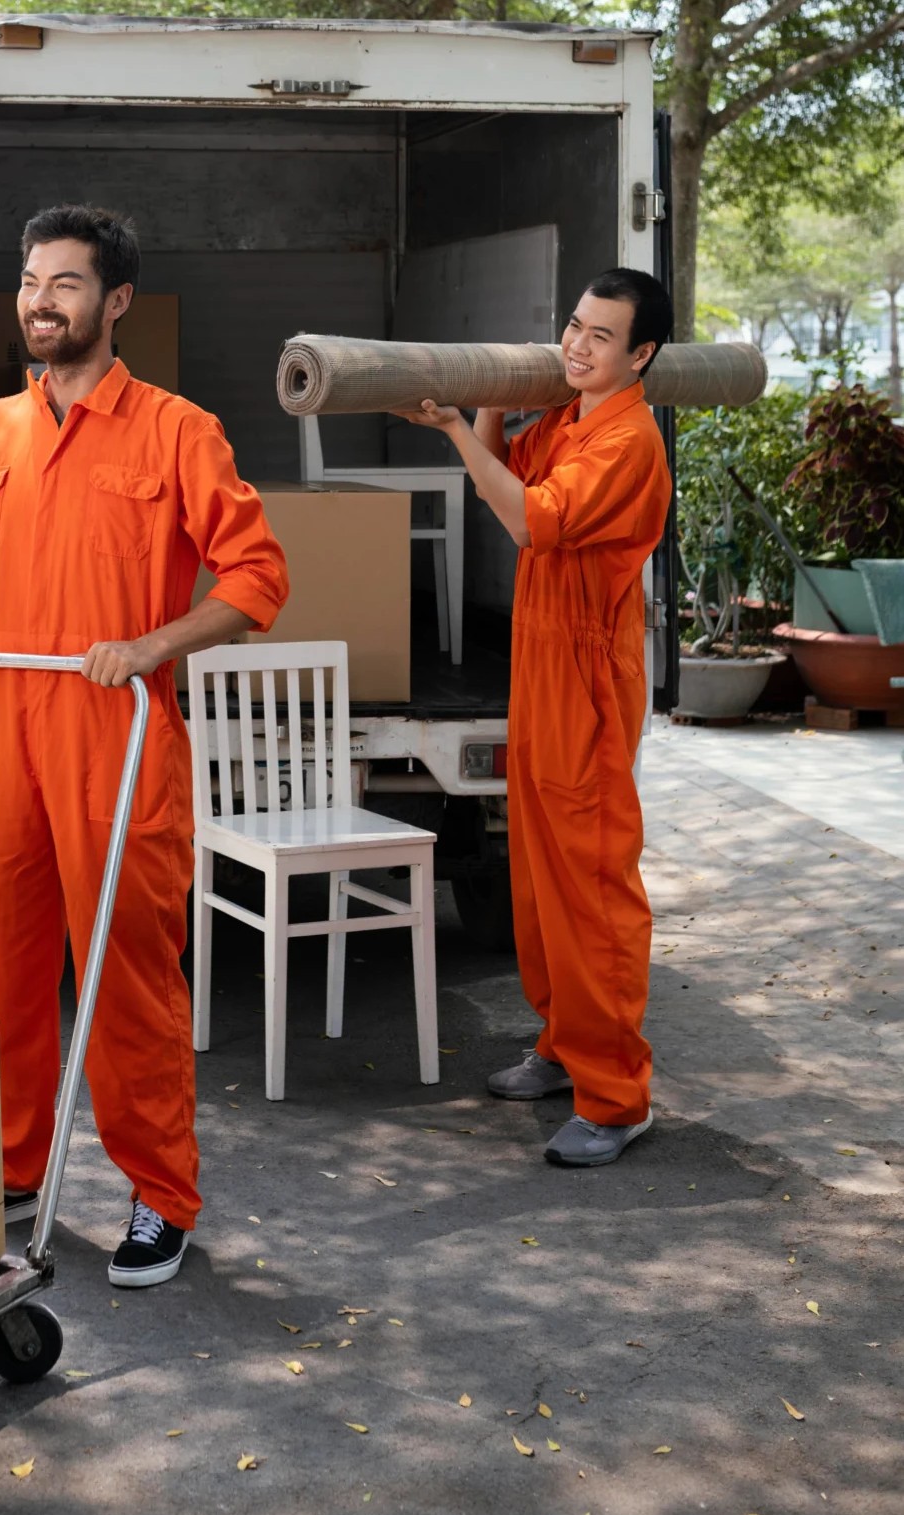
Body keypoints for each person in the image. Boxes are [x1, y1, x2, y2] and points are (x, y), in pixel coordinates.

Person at [0, 204, 289, 1285]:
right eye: (30, 281)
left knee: (126, 974)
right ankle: (15, 1166)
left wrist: (155, 641)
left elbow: (257, 579)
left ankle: (160, 1196)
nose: (40, 301)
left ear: (115, 303)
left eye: (65, 284)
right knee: (4, 967)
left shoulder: (175, 431)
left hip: (111, 732)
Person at [394, 268, 674, 1167]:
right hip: (540, 665)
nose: (575, 345)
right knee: (538, 876)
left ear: (641, 354)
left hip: (587, 679)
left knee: (591, 888)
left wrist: (450, 428)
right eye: (572, 326)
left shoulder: (627, 439)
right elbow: (504, 474)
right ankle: (562, 1047)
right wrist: (483, 405)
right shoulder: (568, 416)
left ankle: (616, 1094)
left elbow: (524, 521)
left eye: (599, 336)